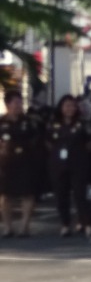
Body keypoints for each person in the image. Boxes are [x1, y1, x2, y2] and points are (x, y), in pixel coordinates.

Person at [46, 94, 91, 238]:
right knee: (61, 195)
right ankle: (65, 224)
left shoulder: (83, 124)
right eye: (67, 105)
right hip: (58, 164)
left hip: (78, 163)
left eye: (73, 106)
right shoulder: (53, 124)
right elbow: (48, 142)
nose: (70, 108)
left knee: (81, 194)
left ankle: (87, 224)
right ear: (61, 107)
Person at [0, 90, 42, 237]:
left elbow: (37, 139)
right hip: (6, 162)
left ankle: (25, 227)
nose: (18, 106)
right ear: (8, 104)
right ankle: (8, 227)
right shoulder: (1, 122)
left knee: (28, 194)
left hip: (26, 161)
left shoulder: (29, 121)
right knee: (6, 195)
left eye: (20, 102)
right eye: (15, 103)